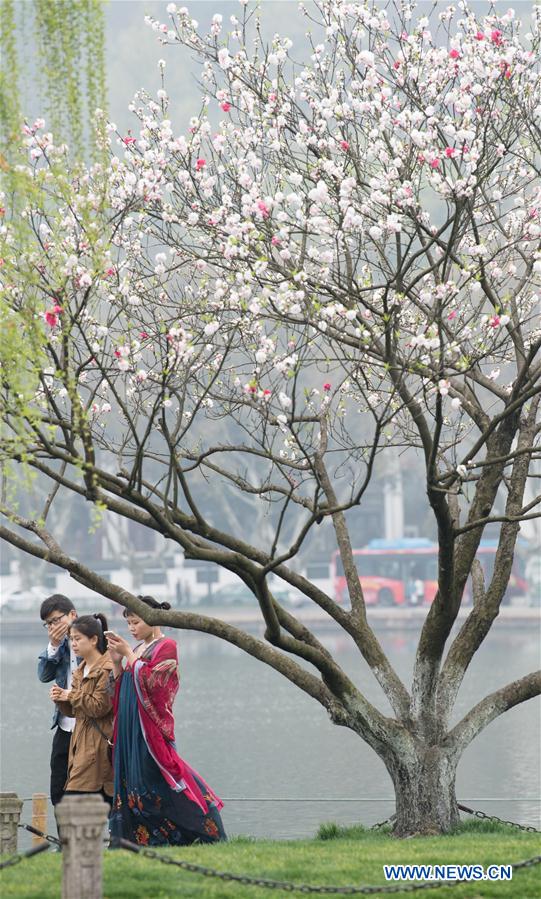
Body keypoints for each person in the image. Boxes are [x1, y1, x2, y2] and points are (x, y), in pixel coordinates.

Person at [106, 596, 226, 845]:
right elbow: (120, 690)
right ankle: (138, 840)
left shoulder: (166, 646)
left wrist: (128, 654)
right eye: (128, 623)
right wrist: (118, 663)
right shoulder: (137, 650)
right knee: (133, 781)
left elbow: (157, 686)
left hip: (148, 729)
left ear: (152, 618)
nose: (131, 628)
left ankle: (201, 831)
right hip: (129, 727)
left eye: (135, 622)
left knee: (158, 776)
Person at [49, 614, 114, 807]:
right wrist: (61, 699)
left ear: (94, 640)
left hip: (99, 744)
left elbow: (99, 707)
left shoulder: (107, 669)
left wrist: (69, 696)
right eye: (71, 639)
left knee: (79, 798)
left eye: (78, 639)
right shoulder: (80, 670)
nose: (73, 644)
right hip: (79, 744)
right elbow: (76, 711)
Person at [38, 594, 79, 807]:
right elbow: (43, 675)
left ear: (73, 615)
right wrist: (53, 645)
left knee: (89, 783)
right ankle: (66, 838)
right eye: (48, 623)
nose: (53, 626)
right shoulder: (60, 645)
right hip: (64, 725)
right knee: (58, 784)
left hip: (89, 724)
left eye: (56, 620)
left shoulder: (93, 639)